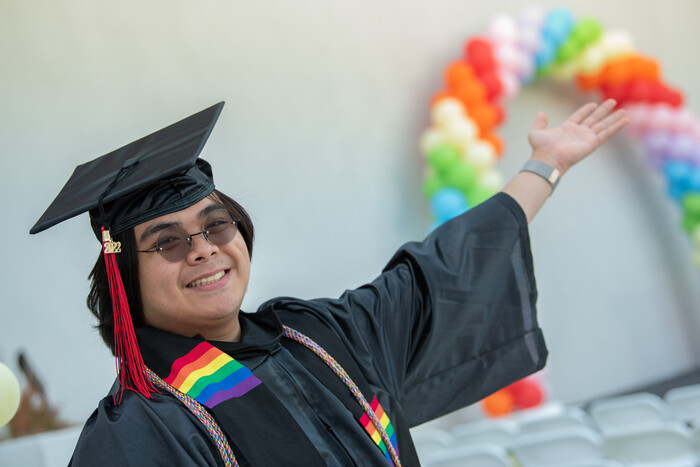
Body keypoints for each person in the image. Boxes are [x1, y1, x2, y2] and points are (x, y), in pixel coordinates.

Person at [30, 100, 628, 466]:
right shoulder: (139, 432)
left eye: (217, 225)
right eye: (167, 242)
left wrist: (545, 166)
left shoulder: (320, 335)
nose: (204, 250)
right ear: (124, 276)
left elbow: (442, 270)